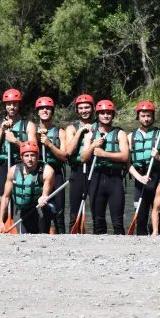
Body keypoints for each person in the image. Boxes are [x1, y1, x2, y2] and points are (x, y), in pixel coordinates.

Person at [80, 100, 130, 234]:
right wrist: (92, 146)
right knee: (98, 220)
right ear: (98, 115)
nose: (106, 116)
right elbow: (83, 158)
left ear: (113, 115)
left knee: (118, 221)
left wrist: (104, 154)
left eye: (108, 113)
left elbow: (125, 157)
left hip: (114, 179)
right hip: (95, 178)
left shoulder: (120, 134)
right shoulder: (90, 135)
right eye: (102, 113)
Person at [127, 102, 160, 236]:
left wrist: (159, 157)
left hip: (157, 178)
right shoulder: (130, 137)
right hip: (140, 177)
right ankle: (141, 239)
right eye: (143, 116)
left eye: (149, 116)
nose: (146, 119)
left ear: (153, 117)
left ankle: (159, 235)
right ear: (138, 117)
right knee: (141, 214)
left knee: (158, 212)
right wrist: (138, 177)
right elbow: (127, 163)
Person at [0, 89, 37, 198]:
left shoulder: (29, 125)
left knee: (25, 199)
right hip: (3, 165)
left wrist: (15, 141)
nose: (12, 107)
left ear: (19, 104)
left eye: (15, 103)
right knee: (4, 199)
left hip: (22, 165)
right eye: (9, 104)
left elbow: (34, 150)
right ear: (5, 105)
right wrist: (2, 130)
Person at [0, 141, 55, 234]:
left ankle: (44, 233)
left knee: (43, 207)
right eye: (26, 155)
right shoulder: (13, 171)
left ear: (37, 156)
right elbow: (6, 197)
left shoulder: (47, 171)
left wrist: (43, 198)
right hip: (25, 210)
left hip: (43, 207)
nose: (30, 159)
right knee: (26, 235)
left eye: (33, 155)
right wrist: (1, 221)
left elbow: (45, 195)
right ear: (21, 157)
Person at [35, 97, 69, 233]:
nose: (45, 110)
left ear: (52, 112)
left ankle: (60, 236)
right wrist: (37, 140)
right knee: (40, 209)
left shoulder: (60, 132)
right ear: (37, 112)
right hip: (38, 174)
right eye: (42, 108)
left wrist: (49, 144)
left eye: (48, 108)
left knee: (59, 212)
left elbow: (65, 156)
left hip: (57, 172)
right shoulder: (33, 131)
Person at [64, 94, 96, 226]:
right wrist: (80, 132)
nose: (84, 111)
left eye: (87, 107)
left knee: (96, 207)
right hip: (77, 170)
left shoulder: (100, 125)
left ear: (93, 108)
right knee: (74, 209)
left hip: (95, 169)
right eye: (81, 108)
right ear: (77, 110)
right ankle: (73, 233)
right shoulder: (71, 128)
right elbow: (69, 151)